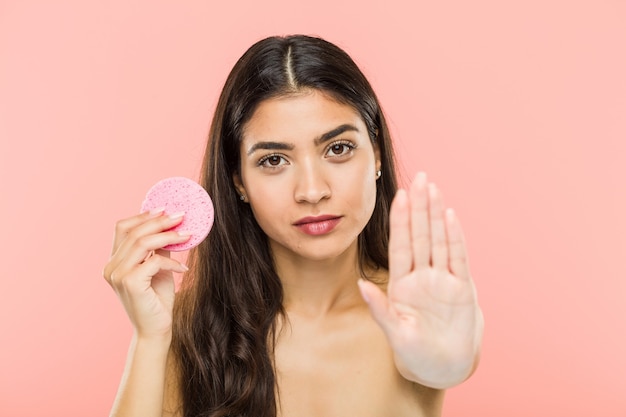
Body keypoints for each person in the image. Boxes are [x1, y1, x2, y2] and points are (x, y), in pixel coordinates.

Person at [103, 34, 484, 417]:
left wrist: (446, 364)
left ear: (377, 155)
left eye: (338, 149)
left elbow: (443, 362)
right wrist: (151, 339)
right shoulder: (196, 328)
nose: (313, 191)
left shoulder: (417, 315)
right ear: (239, 182)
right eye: (273, 160)